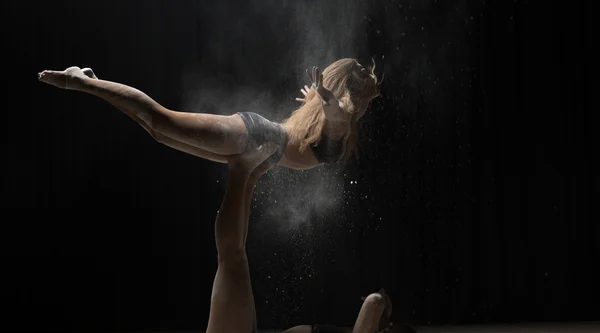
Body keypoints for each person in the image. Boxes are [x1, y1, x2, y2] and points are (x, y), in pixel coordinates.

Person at [203, 142, 438, 333]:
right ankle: (248, 176)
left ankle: (240, 169)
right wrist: (383, 318)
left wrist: (383, 308)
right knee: (236, 253)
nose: (382, 330)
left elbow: (373, 302)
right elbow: (372, 313)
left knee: (232, 255)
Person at [37, 58, 381, 169]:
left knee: (158, 132)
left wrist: (318, 98)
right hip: (257, 135)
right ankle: (79, 81)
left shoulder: (330, 119)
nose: (367, 105)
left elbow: (328, 112)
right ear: (357, 96)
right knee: (161, 118)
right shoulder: (340, 117)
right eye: (366, 97)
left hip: (259, 149)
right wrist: (322, 96)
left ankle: (96, 83)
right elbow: (335, 111)